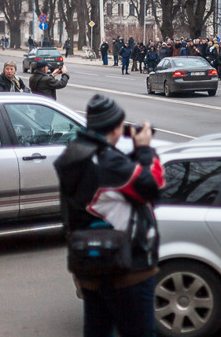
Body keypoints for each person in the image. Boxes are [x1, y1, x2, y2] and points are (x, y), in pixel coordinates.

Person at [54, 94, 165, 337]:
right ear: (116, 127)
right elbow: (152, 184)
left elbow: (116, 187)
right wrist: (144, 150)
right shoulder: (108, 162)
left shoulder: (75, 155)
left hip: (90, 264)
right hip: (128, 269)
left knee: (98, 331)